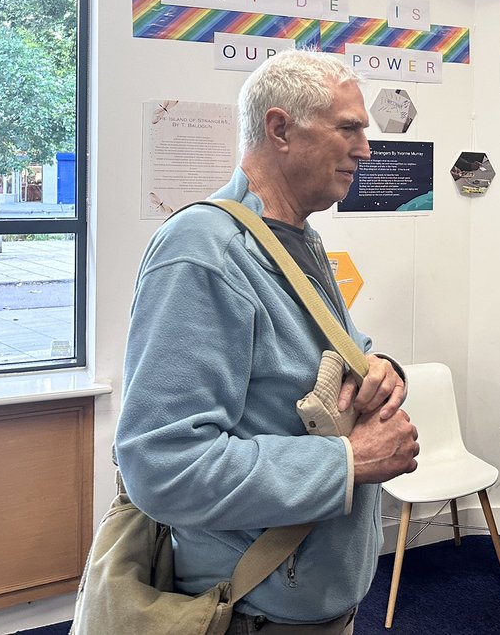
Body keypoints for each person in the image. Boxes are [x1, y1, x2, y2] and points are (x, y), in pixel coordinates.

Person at [115, 51, 420, 634]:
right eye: (349, 128)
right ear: (279, 128)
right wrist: (349, 461)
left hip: (313, 597)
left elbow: (337, 353)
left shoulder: (295, 240)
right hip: (254, 609)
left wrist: (380, 369)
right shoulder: (203, 252)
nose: (366, 149)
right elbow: (162, 465)